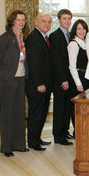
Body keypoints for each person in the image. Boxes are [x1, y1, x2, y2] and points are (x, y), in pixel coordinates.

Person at [0, 10, 29, 157]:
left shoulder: (23, 37)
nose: (21, 22)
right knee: (8, 113)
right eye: (18, 20)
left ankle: (19, 144)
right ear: (12, 21)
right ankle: (6, 147)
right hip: (8, 79)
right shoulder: (5, 38)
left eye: (23, 20)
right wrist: (0, 79)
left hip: (21, 77)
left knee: (19, 112)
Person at [25, 13, 53, 151]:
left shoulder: (43, 37)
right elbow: (33, 64)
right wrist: (39, 83)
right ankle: (33, 142)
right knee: (36, 114)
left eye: (49, 22)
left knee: (41, 113)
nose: (46, 24)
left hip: (44, 84)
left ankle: (37, 138)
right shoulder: (34, 38)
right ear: (36, 22)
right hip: (37, 85)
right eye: (43, 21)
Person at [49, 9, 74, 145]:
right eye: (64, 18)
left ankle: (64, 131)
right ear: (59, 20)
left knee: (67, 107)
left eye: (69, 18)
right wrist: (63, 79)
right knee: (59, 108)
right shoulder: (55, 36)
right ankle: (58, 136)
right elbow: (57, 60)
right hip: (60, 79)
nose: (67, 21)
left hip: (69, 78)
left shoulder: (70, 35)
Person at [68, 19, 89, 96]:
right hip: (77, 79)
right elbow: (72, 66)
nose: (82, 31)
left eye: (84, 29)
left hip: (85, 78)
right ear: (75, 30)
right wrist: (78, 83)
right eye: (79, 28)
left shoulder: (85, 44)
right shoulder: (74, 44)